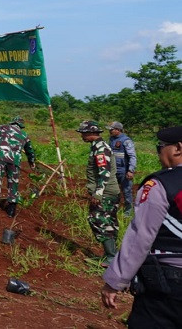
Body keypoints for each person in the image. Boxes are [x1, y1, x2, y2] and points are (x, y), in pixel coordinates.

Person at [101, 126, 182, 326]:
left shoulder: (161, 185)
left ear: (178, 148)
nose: (159, 152)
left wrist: (115, 281)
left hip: (168, 285)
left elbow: (140, 237)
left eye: (160, 147)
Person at [78, 120, 121, 265]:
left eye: (83, 133)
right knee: (109, 222)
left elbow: (104, 172)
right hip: (109, 192)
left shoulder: (101, 148)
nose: (82, 136)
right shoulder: (96, 147)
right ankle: (111, 256)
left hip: (106, 193)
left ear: (91, 133)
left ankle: (110, 258)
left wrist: (98, 193)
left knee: (99, 222)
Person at [0, 116, 36, 218]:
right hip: (14, 161)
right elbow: (30, 150)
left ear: (12, 123)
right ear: (21, 125)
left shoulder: (2, 128)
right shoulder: (24, 135)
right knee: (13, 184)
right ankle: (11, 210)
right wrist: (31, 161)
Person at [108, 121, 138, 215]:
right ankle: (114, 208)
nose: (110, 131)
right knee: (113, 190)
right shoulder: (111, 139)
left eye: (111, 130)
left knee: (126, 191)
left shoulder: (126, 141)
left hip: (123, 171)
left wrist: (130, 170)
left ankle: (128, 211)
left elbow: (132, 156)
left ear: (118, 130)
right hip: (113, 170)